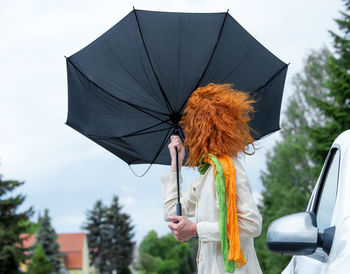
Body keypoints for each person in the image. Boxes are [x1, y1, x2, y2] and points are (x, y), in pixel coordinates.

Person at [161, 83, 263, 273]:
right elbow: (171, 213)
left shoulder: (227, 170)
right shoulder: (205, 175)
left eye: (191, 126)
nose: (188, 134)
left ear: (202, 129)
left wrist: (196, 229)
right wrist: (176, 163)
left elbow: (252, 224)